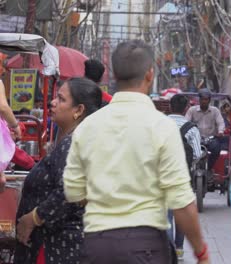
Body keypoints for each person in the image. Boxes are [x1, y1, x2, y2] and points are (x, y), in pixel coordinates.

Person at [63, 40, 209, 264]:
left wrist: (106, 200)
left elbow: (73, 191)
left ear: (114, 75)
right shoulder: (162, 127)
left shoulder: (87, 127)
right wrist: (201, 253)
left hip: (96, 246)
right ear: (150, 74)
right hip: (145, 247)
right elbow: (181, 201)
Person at [14, 78, 102, 264]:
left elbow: (69, 192)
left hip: (58, 247)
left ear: (78, 110)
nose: (53, 102)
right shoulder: (73, 141)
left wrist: (33, 218)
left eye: (61, 99)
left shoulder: (73, 144)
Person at [168, 94, 202, 261]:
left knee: (165, 216)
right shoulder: (191, 129)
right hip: (182, 176)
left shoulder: (158, 124)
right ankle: (179, 248)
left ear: (169, 107)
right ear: (186, 108)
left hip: (161, 176)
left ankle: (168, 250)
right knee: (180, 213)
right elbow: (196, 154)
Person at [185, 88, 225, 171]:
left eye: (206, 99)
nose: (204, 101)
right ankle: (189, 170)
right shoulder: (192, 110)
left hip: (210, 139)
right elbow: (186, 122)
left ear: (209, 100)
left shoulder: (215, 111)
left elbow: (220, 123)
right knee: (186, 150)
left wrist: (221, 131)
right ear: (199, 100)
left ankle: (209, 168)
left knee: (217, 148)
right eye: (202, 99)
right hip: (195, 139)